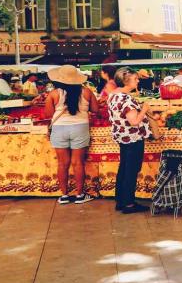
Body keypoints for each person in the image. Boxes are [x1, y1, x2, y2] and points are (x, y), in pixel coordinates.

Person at [44, 65, 99, 204]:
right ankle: (80, 195)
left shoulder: (54, 94)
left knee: (62, 164)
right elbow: (95, 109)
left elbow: (48, 114)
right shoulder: (86, 91)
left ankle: (64, 195)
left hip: (59, 129)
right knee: (78, 163)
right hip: (80, 128)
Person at [107, 68, 153, 213]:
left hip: (122, 136)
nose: (138, 80)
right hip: (132, 137)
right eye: (135, 79)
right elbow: (134, 121)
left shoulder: (113, 95)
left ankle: (120, 200)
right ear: (127, 81)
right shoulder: (126, 99)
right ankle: (128, 204)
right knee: (131, 170)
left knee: (124, 168)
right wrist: (144, 109)